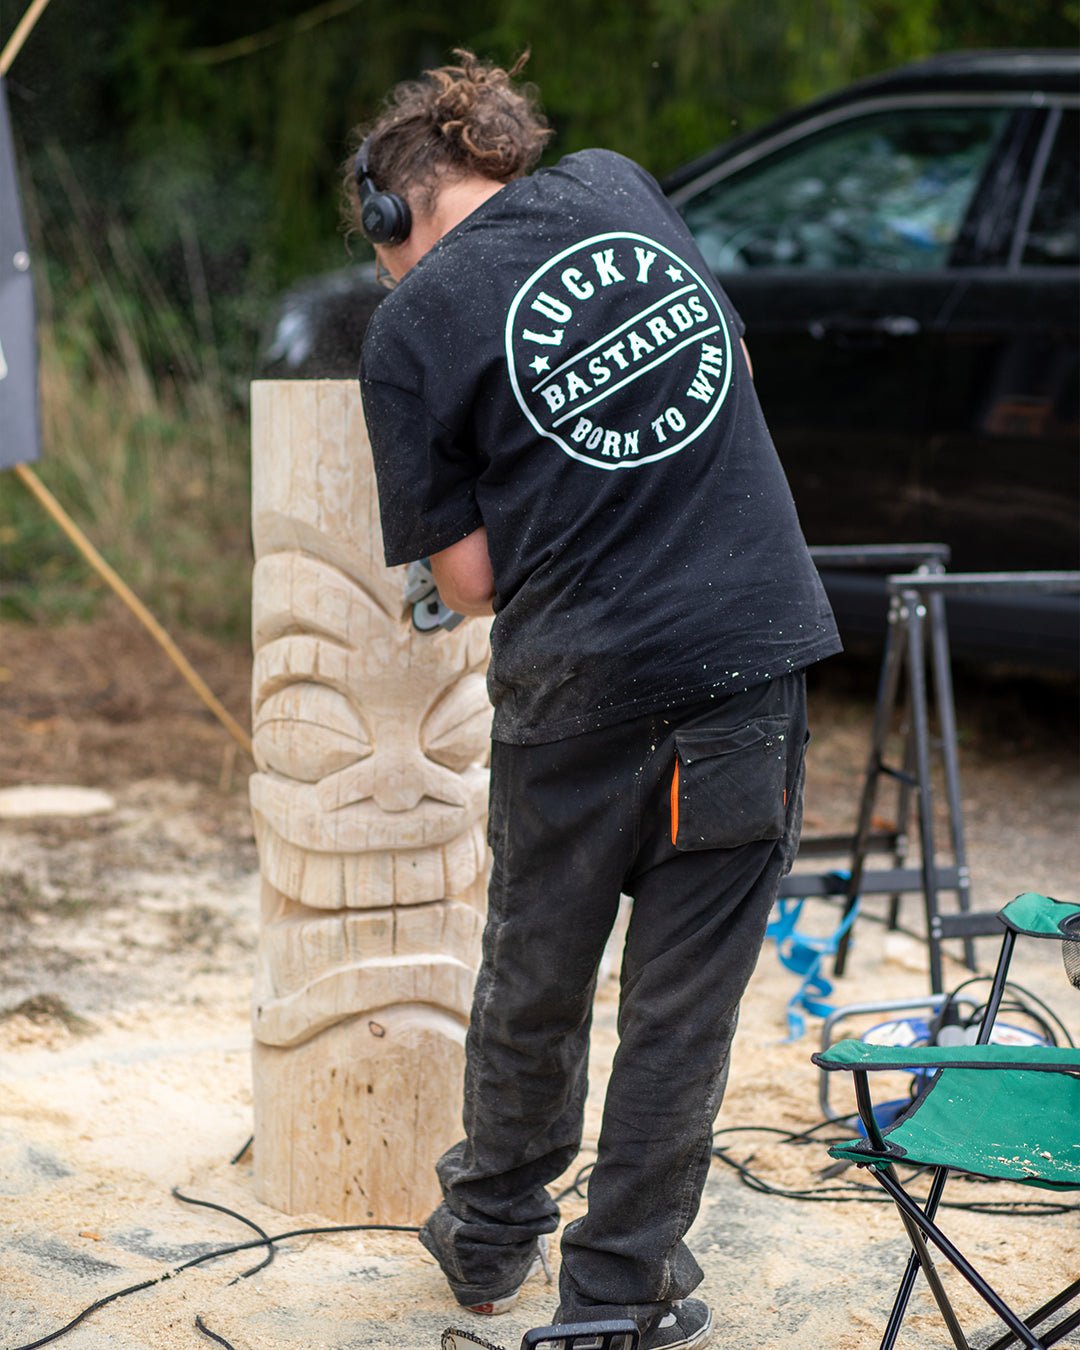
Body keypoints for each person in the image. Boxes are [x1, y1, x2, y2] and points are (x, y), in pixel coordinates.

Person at [345, 49, 841, 1350]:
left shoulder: (408, 324)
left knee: (538, 974)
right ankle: (617, 1291)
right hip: (750, 651)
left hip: (582, 686)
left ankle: (492, 1235)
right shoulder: (619, 185)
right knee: (683, 1006)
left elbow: (470, 579)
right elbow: (721, 358)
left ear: (394, 211)